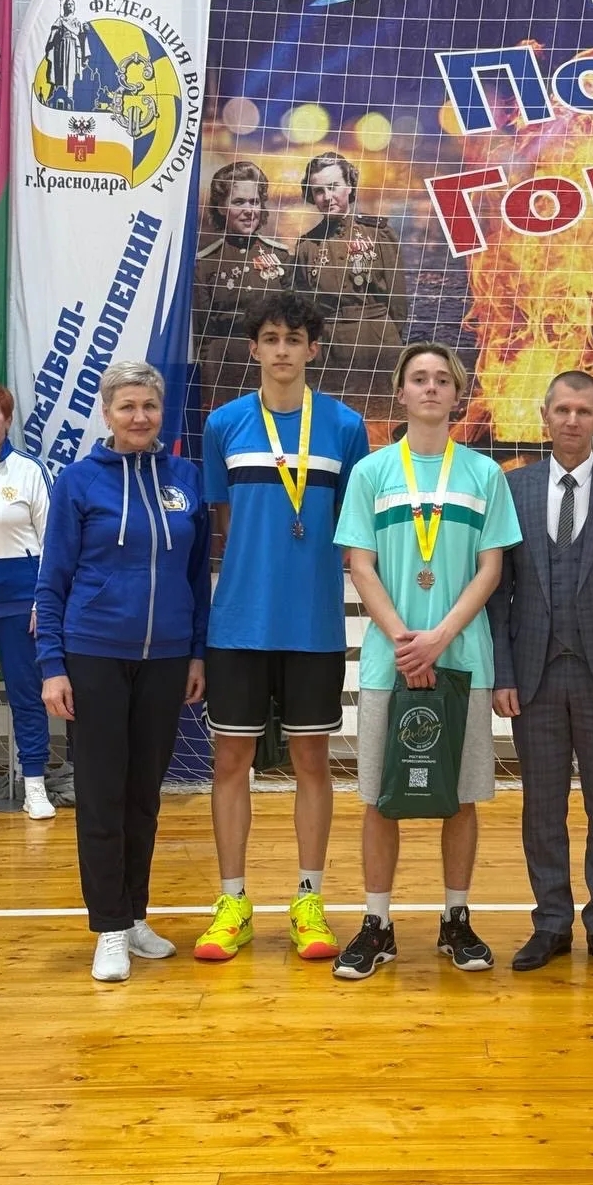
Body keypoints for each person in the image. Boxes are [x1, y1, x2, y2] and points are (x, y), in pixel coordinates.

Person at [332, 341, 521, 980]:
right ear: (402, 392)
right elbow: (361, 564)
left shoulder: (485, 474)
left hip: (462, 658)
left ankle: (455, 919)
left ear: (458, 395)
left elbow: (491, 570)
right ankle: (377, 924)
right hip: (389, 661)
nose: (431, 387)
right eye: (419, 378)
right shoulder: (372, 472)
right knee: (380, 797)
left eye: (443, 378)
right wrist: (404, 641)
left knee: (460, 798)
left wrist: (438, 638)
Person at [194, 290, 369, 963]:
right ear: (254, 349)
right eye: (271, 339)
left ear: (313, 349)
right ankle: (232, 901)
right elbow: (225, 523)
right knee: (230, 762)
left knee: (312, 763)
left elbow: (351, 528)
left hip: (314, 625)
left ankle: (308, 899)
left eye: (294, 339)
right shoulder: (223, 425)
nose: (282, 350)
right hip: (238, 623)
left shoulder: (345, 426)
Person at [36, 361, 211, 982]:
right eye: (128, 406)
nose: (140, 417)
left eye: (150, 406)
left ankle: (135, 914)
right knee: (101, 796)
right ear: (107, 413)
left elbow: (197, 577)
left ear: (163, 412)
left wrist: (196, 653)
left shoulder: (185, 478)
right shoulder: (79, 482)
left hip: (166, 661)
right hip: (94, 656)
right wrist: (52, 665)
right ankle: (108, 926)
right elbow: (52, 579)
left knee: (143, 797)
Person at [487, 372, 593, 978]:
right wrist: (501, 672)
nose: (571, 420)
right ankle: (551, 923)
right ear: (544, 417)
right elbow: (498, 594)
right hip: (532, 676)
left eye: (583, 411)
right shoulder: (512, 488)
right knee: (541, 807)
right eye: (561, 409)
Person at [291, 151, 409, 422]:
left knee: (386, 419)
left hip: (378, 341)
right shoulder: (307, 246)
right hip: (331, 347)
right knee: (337, 422)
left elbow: (397, 301)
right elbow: (305, 308)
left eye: (334, 187)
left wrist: (388, 338)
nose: (327, 197)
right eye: (319, 191)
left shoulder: (378, 234)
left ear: (350, 186)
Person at [0, 386, 54, 820]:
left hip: (20, 600)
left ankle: (34, 784)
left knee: (26, 693)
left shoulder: (30, 470)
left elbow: (54, 541)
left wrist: (41, 601)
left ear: (8, 419)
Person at [193, 161, 291, 413]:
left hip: (273, 367)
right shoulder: (205, 263)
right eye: (239, 202)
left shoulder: (282, 257)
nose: (249, 210)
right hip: (223, 369)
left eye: (254, 202)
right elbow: (203, 334)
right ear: (221, 207)